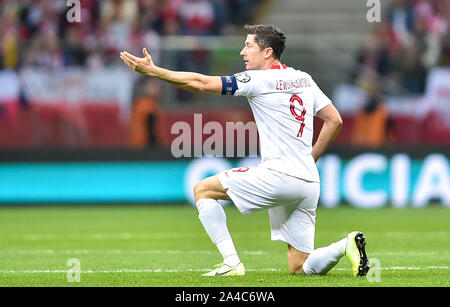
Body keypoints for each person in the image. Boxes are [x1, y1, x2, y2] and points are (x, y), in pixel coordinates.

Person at [119, 24, 369, 277]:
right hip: (308, 182)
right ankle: (345, 244)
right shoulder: (304, 79)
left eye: (249, 45)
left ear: (268, 52)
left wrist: (153, 71)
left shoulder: (257, 80)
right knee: (299, 266)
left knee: (202, 190)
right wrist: (310, 159)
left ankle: (231, 263)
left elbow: (200, 83)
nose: (242, 52)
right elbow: (334, 120)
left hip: (279, 176)